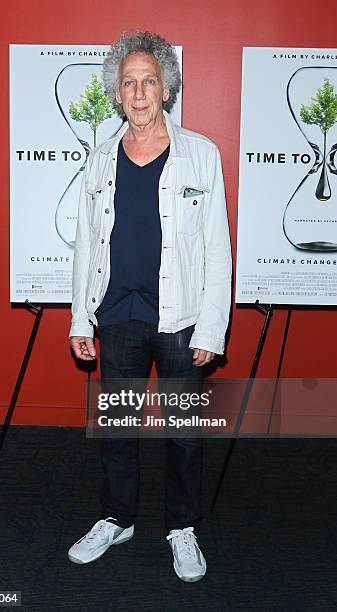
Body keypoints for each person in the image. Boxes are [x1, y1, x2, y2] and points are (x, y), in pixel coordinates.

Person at [68, 30, 232, 582]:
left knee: (184, 431)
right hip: (116, 316)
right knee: (116, 424)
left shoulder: (201, 156)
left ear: (167, 89)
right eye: (129, 83)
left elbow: (217, 249)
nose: (139, 92)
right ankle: (117, 517)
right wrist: (78, 319)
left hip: (182, 320)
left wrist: (213, 327)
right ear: (117, 93)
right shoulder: (98, 160)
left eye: (149, 81)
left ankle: (182, 526)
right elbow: (87, 244)